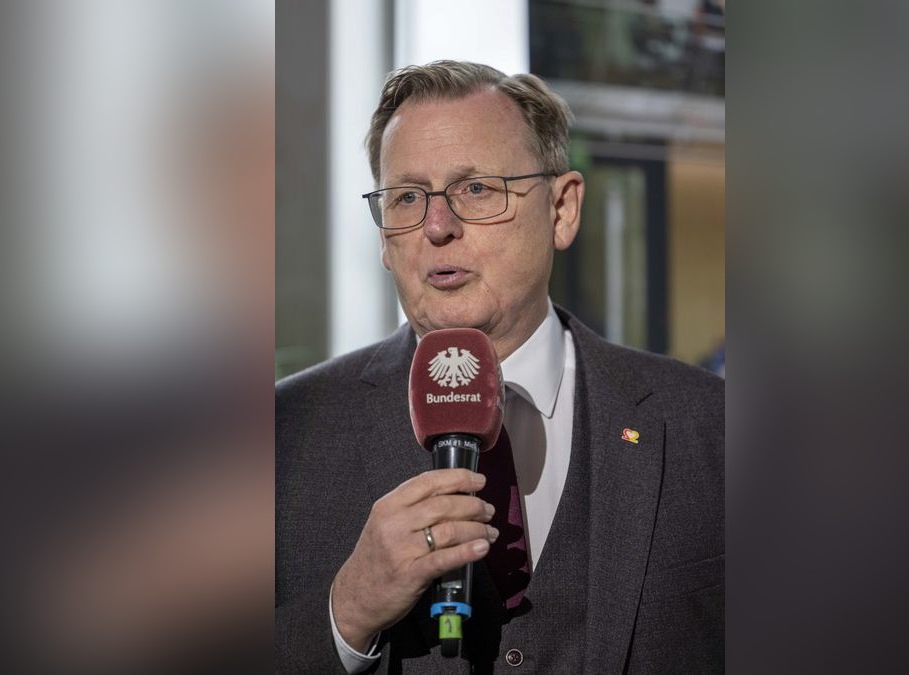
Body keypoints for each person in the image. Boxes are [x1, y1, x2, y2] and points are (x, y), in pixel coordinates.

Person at [276, 60, 724, 673]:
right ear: (384, 238)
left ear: (562, 210)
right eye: (407, 197)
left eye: (476, 189)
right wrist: (346, 613)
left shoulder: (710, 427)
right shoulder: (279, 436)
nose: (437, 226)